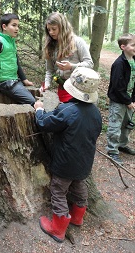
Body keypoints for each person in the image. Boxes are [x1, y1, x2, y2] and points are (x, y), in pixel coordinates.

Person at [34, 67, 102, 243]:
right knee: (79, 185)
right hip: (85, 162)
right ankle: (78, 215)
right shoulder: (96, 113)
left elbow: (44, 123)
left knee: (58, 190)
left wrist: (39, 109)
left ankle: (58, 227)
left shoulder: (67, 110)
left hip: (65, 163)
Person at [0, 13, 35, 105]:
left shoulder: (11, 41)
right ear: (4, 27)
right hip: (4, 83)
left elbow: (16, 62)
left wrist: (24, 79)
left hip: (13, 81)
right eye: (13, 25)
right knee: (32, 101)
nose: (17, 28)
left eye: (18, 26)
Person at [41, 12, 93, 102]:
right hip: (63, 88)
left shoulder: (78, 42)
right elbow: (49, 70)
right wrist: (47, 84)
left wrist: (71, 66)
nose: (51, 32)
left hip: (78, 90)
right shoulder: (50, 46)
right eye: (49, 30)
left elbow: (89, 64)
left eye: (54, 29)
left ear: (62, 27)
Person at [106, 33, 135, 165]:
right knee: (115, 124)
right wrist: (127, 101)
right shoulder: (119, 64)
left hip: (130, 101)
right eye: (133, 45)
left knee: (127, 124)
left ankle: (122, 145)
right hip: (119, 101)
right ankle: (112, 150)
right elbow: (117, 87)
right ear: (123, 47)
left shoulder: (134, 60)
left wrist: (132, 100)